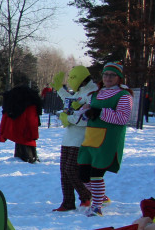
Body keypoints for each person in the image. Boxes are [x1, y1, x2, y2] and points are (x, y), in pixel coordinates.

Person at [78, 61, 133, 217]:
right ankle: (101, 197)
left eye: (112, 75)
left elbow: (122, 118)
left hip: (108, 140)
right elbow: (89, 113)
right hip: (91, 138)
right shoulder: (95, 94)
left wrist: (100, 112)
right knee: (83, 174)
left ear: (119, 77)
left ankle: (96, 207)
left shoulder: (124, 95)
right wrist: (85, 112)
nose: (108, 78)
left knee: (96, 174)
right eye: (106, 74)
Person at [52, 66, 96, 212]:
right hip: (69, 137)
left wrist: (68, 118)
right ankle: (68, 202)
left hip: (81, 138)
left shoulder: (92, 92)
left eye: (72, 77)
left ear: (81, 78)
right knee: (64, 172)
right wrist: (60, 89)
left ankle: (87, 195)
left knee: (71, 169)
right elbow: (69, 101)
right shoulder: (80, 91)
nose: (70, 80)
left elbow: (87, 117)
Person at [0, 82, 43, 163]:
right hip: (27, 133)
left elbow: (5, 119)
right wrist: (34, 134)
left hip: (20, 131)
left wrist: (2, 134)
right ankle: (30, 158)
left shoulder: (13, 103)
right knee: (27, 146)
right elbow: (32, 121)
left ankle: (25, 158)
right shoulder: (30, 104)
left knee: (22, 144)